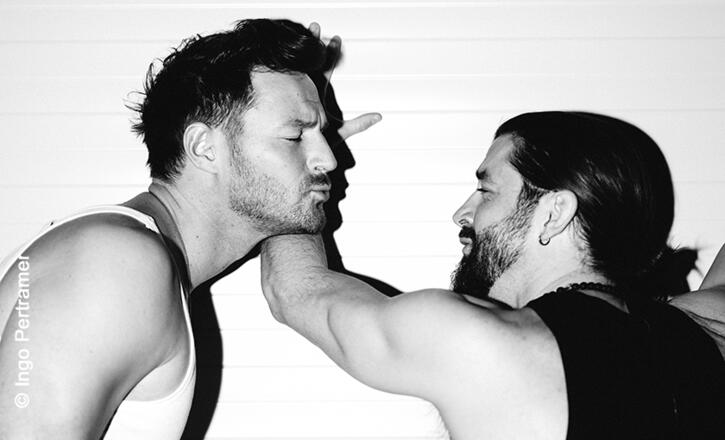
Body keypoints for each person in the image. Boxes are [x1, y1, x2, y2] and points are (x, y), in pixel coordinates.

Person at [0, 19, 378, 439]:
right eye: (294, 136)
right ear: (203, 148)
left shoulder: (125, 260)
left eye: (321, 135)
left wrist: (302, 152)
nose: (330, 160)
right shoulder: (116, 263)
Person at [261, 111, 725, 440]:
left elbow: (295, 290)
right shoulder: (709, 323)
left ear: (554, 213)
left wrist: (301, 162)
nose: (463, 213)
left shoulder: (484, 343)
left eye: (486, 190)